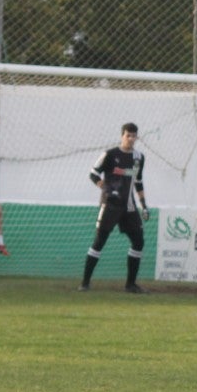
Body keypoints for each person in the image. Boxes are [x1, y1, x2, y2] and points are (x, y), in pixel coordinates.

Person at [80, 122, 150, 293]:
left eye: (134, 136)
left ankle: (130, 284)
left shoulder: (139, 157)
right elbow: (93, 173)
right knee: (99, 242)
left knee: (139, 241)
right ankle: (85, 283)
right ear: (122, 136)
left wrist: (144, 206)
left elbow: (138, 182)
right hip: (110, 205)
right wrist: (105, 188)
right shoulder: (110, 154)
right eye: (128, 135)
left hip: (129, 206)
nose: (131, 139)